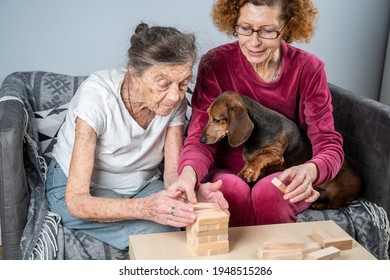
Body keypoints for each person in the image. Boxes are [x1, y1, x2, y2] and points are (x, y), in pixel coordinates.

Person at [45, 22, 218, 251]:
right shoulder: (96, 99)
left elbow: (171, 176)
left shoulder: (173, 101)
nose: (176, 96)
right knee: (162, 237)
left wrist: (192, 196)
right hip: (83, 190)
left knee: (193, 219)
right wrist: (145, 209)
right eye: (163, 84)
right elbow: (77, 201)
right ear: (135, 74)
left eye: (184, 82)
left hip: (140, 186)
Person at [172, 0, 344, 227]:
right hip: (229, 171)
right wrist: (188, 174)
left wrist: (311, 170)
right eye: (245, 28)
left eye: (268, 31)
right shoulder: (215, 63)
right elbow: (199, 138)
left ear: (288, 26)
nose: (254, 42)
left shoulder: (308, 68)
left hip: (283, 170)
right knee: (231, 190)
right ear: (233, 21)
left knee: (272, 192)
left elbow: (328, 142)